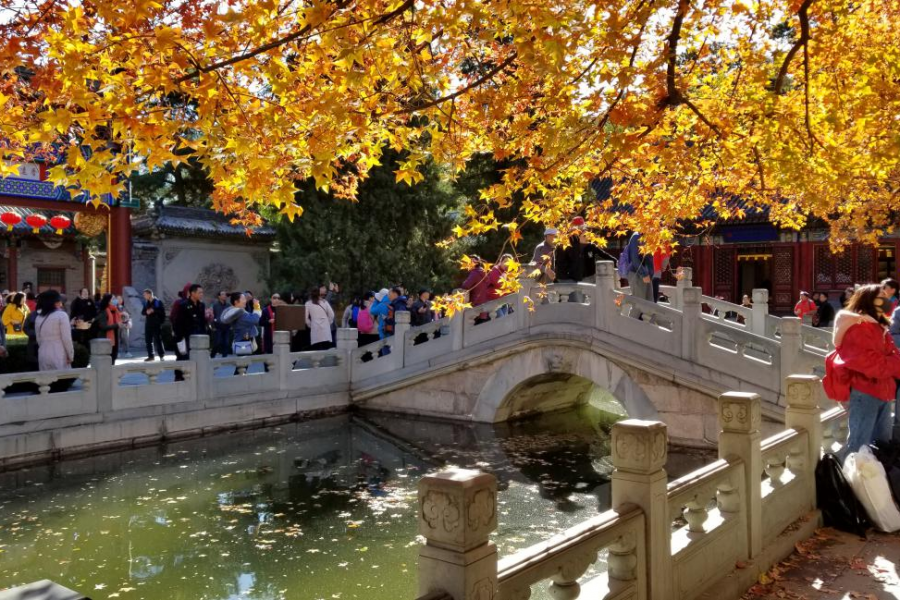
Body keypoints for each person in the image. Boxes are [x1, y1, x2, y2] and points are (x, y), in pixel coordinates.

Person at [824, 284, 900, 460]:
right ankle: (854, 486)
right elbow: (873, 365)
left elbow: (893, 355)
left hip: (883, 391)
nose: (887, 301)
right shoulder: (857, 327)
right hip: (866, 392)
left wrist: (891, 361)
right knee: (859, 447)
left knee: (881, 446)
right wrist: (892, 362)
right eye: (881, 296)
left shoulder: (878, 327)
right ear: (869, 300)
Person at [34, 290, 75, 392]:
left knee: (47, 388)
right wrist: (70, 355)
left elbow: (38, 339)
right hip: (59, 353)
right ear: (54, 302)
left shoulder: (39, 317)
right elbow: (66, 338)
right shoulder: (62, 315)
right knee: (60, 387)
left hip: (43, 353)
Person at [173, 284, 208, 361]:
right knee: (185, 359)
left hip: (199, 336)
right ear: (192, 293)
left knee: (199, 360)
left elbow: (202, 321)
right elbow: (178, 322)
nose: (201, 294)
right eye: (199, 293)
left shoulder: (202, 305)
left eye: (202, 292)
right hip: (187, 336)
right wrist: (180, 337)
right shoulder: (183, 305)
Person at [624, 232, 653, 307]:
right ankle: (629, 319)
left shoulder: (648, 236)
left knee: (650, 305)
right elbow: (634, 259)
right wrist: (644, 274)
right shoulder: (636, 236)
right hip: (636, 273)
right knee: (638, 306)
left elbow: (649, 258)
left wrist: (650, 273)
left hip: (646, 274)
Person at [462, 257, 491, 323]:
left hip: (476, 306)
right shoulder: (483, 272)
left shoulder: (474, 273)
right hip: (484, 307)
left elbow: (465, 286)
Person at [95, 293, 121, 364]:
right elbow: (103, 326)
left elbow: (118, 320)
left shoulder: (114, 310)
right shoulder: (103, 311)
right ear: (108, 301)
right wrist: (117, 325)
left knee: (113, 357)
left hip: (114, 335)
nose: (115, 300)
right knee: (107, 360)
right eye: (113, 299)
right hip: (105, 337)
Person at [141, 289, 166, 362]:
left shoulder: (157, 302)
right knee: (148, 340)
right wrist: (147, 312)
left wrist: (153, 310)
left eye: (145, 294)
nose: (144, 296)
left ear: (149, 294)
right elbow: (142, 312)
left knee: (158, 340)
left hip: (156, 324)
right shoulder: (146, 303)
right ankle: (151, 356)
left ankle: (161, 356)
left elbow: (162, 312)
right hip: (148, 324)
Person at [211, 290, 230, 358]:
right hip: (218, 326)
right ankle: (212, 355)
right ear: (219, 296)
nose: (224, 296)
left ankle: (224, 357)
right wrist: (213, 326)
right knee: (217, 342)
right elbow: (212, 316)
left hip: (226, 326)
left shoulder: (228, 305)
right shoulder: (215, 305)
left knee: (226, 342)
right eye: (223, 294)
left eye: (225, 294)